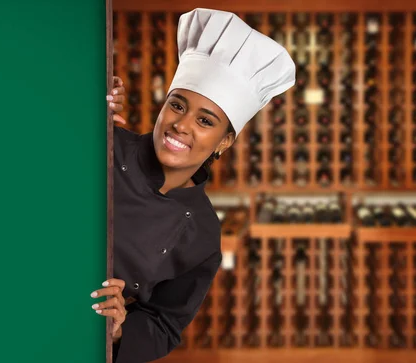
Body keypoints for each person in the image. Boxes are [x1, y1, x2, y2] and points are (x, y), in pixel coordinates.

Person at [91, 8, 296, 363]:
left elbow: (165, 324)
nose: (182, 125)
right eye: (177, 105)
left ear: (224, 141)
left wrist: (120, 328)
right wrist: (78, 108)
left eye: (205, 120)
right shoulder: (102, 143)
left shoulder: (202, 232)